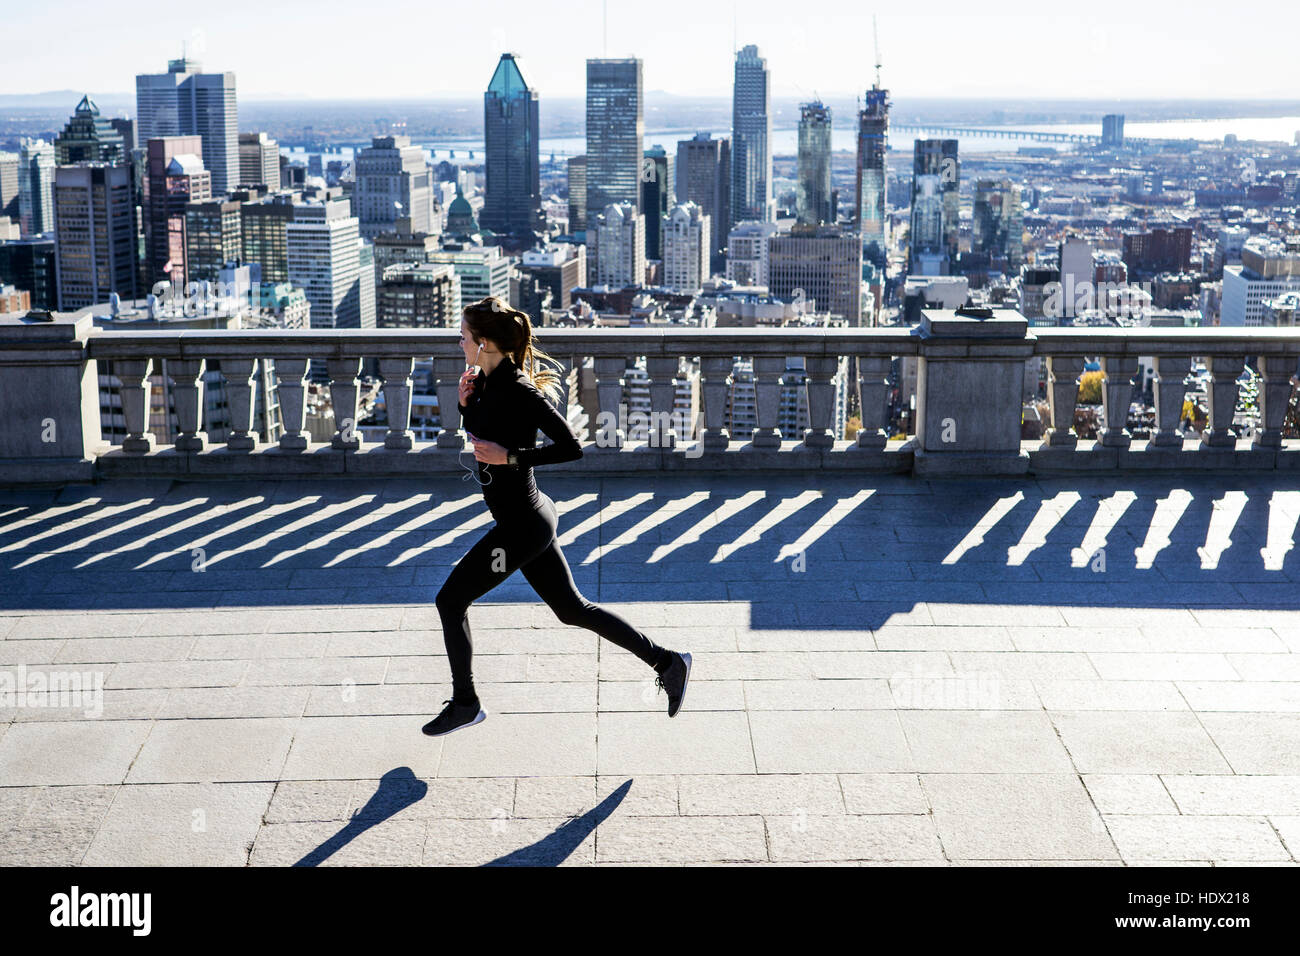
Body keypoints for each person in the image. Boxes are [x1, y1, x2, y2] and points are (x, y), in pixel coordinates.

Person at [422, 297, 692, 737]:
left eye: (464, 336)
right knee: (572, 609)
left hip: (522, 526)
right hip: (528, 520)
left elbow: (571, 446)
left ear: (484, 341)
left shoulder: (518, 388)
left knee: (450, 601)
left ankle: (466, 703)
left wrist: (511, 457)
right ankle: (669, 662)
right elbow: (487, 433)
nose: (459, 342)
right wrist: (465, 406)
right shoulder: (484, 381)